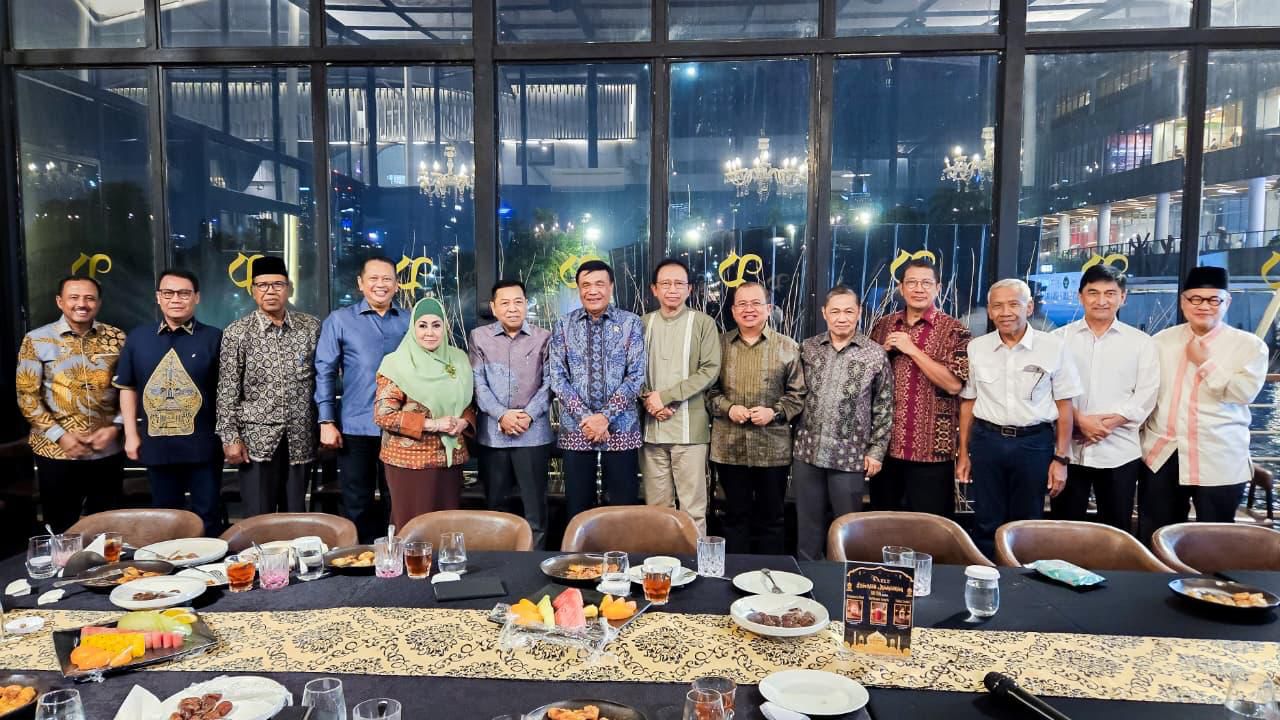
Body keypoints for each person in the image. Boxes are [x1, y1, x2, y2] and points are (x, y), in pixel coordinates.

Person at [1138, 266, 1267, 542]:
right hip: (1163, 453)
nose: (1203, 306)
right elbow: (1146, 393)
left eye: (1213, 299)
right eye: (1195, 298)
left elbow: (1243, 394)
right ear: (1183, 301)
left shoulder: (1249, 346)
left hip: (1218, 455)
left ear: (1227, 301)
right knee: (1156, 534)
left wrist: (1205, 363)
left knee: (1215, 541)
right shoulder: (1161, 342)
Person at [957, 279, 1081, 557]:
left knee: (1027, 521)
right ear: (989, 311)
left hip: (1033, 443)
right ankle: (988, 573)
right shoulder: (977, 347)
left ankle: (1021, 578)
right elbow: (968, 403)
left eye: (1014, 304)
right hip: (986, 441)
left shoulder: (1053, 347)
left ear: (1030, 307)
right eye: (998, 306)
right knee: (985, 519)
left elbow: (1064, 406)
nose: (1005, 312)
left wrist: (1061, 459)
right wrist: (963, 454)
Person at [113, 269, 225, 536]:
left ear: (196, 297)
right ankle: (169, 561)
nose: (176, 299)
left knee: (208, 513)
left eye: (184, 293)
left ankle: (211, 561)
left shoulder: (214, 338)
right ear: (158, 297)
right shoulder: (139, 338)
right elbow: (127, 388)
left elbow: (227, 392)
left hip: (203, 444)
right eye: (169, 293)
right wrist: (131, 434)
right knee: (164, 516)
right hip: (156, 443)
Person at [1050, 265, 1158, 532]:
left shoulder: (1141, 343)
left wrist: (1107, 425)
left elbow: (1146, 394)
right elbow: (1047, 390)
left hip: (1119, 451)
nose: (1101, 300)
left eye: (1110, 293)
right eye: (1093, 293)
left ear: (1123, 297)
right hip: (1069, 452)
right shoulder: (1057, 340)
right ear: (1080, 297)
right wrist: (1080, 421)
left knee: (1116, 530)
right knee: (1064, 530)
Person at [16, 276, 126, 532]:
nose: (82, 304)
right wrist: (60, 436)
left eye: (89, 298)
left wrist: (116, 427)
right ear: (60, 301)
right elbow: (27, 396)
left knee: (108, 530)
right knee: (61, 530)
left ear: (98, 303)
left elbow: (129, 388)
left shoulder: (117, 337)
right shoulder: (37, 340)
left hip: (107, 450)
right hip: (56, 452)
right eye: (74, 298)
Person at [215, 256, 321, 517]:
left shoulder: (310, 328)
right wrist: (230, 438)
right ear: (253, 290)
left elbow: (324, 377)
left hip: (300, 436)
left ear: (289, 288)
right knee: (259, 516)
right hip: (256, 441)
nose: (270, 291)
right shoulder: (237, 332)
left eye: (277, 285)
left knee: (296, 515)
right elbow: (227, 389)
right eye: (262, 285)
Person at [793, 286, 892, 561]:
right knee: (808, 528)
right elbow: (794, 394)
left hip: (850, 456)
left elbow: (884, 406)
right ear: (824, 313)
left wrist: (876, 451)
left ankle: (844, 581)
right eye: (835, 311)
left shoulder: (874, 354)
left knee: (847, 529)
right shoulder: (808, 348)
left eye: (849, 311)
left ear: (858, 313)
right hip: (807, 452)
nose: (841, 318)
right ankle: (808, 578)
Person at [315, 256, 409, 542]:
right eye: (373, 278)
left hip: (401, 427)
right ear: (360, 283)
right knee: (357, 500)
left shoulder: (410, 320)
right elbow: (324, 371)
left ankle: (399, 558)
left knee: (399, 500)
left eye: (387, 279)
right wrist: (326, 421)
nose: (381, 284)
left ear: (396, 284)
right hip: (357, 426)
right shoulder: (340, 320)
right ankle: (361, 559)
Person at [708, 282, 806, 554]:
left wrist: (774, 412)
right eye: (742, 304)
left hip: (772, 449)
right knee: (734, 517)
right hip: (729, 448)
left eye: (755, 303)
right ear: (733, 310)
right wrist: (728, 408)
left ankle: (770, 573)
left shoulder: (788, 347)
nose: (748, 309)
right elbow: (708, 390)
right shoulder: (718, 346)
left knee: (772, 519)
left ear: (769, 308)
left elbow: (798, 395)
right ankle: (735, 573)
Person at [868, 257, 970, 517]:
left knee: (930, 528)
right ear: (901, 288)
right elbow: (865, 380)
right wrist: (881, 352)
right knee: (883, 525)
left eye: (926, 283)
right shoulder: (883, 325)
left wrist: (912, 349)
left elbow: (954, 385)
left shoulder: (954, 330)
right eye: (911, 282)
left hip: (931, 452)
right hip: (886, 448)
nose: (918, 289)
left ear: (938, 288)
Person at [549, 260, 647, 521]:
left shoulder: (630, 323)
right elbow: (557, 378)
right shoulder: (563, 325)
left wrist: (605, 417)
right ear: (579, 289)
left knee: (623, 509)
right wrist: (586, 418)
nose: (593, 291)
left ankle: (621, 548)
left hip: (621, 428)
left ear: (611, 287)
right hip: (576, 429)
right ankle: (580, 549)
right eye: (586, 285)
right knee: (578, 508)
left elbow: (636, 376)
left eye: (599, 284)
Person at [375, 298, 476, 529]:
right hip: (409, 463)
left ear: (444, 327)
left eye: (436, 325)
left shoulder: (459, 359)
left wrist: (463, 422)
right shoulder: (396, 364)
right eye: (422, 325)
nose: (429, 332)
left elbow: (467, 403)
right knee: (413, 527)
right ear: (413, 328)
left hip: (450, 460)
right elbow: (384, 415)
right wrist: (434, 424)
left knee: (446, 527)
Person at [640, 259, 721, 536]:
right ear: (654, 289)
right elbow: (631, 369)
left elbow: (710, 370)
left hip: (690, 432)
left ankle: (694, 561)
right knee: (656, 510)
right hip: (651, 431)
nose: (672, 289)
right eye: (665, 283)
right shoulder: (642, 324)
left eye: (679, 283)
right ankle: (659, 561)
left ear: (689, 289)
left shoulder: (703, 323)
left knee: (693, 510)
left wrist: (666, 397)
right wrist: (649, 400)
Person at [470, 280, 553, 549]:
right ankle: (500, 563)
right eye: (505, 303)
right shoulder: (479, 337)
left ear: (526, 304)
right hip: (494, 436)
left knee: (535, 509)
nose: (512, 308)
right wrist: (501, 415)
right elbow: (478, 384)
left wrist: (528, 415)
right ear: (494, 308)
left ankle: (534, 562)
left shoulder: (544, 337)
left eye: (518, 302)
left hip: (533, 435)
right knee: (496, 508)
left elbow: (550, 383)